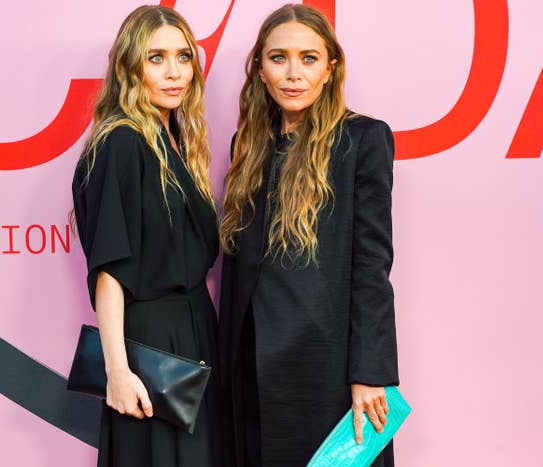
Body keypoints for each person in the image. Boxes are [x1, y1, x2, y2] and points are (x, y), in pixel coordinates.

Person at [218, 4, 399, 467]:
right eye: (278, 58)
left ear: (330, 68)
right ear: (260, 68)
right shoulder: (248, 144)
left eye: (309, 58)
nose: (293, 73)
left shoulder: (363, 139)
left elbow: (372, 263)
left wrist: (370, 372)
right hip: (252, 363)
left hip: (326, 365)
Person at [69, 6, 220, 467]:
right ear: (130, 66)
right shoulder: (122, 141)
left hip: (194, 335)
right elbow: (111, 269)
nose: (174, 73)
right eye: (156, 58)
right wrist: (117, 369)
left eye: (183, 57)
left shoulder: (170, 136)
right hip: (152, 347)